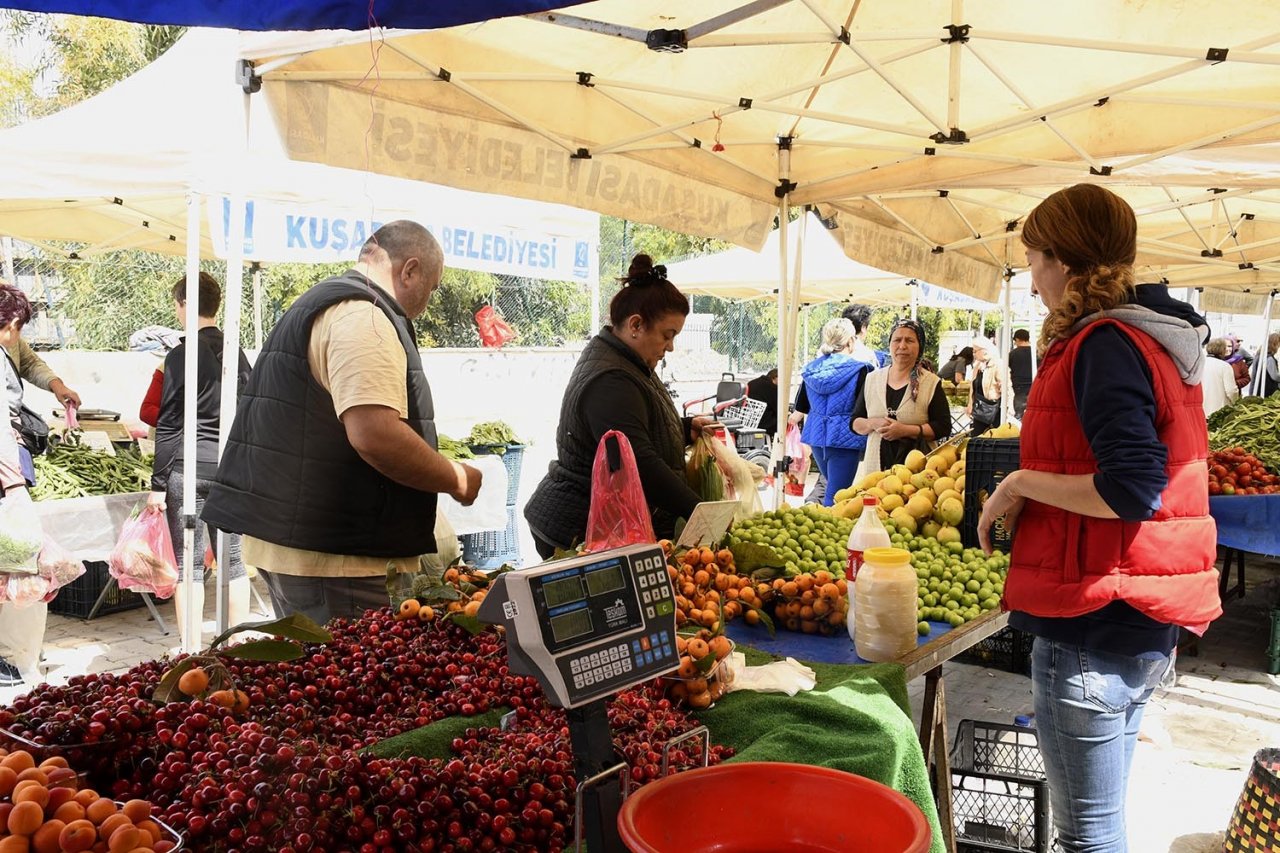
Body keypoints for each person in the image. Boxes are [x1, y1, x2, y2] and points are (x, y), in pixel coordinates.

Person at [976, 184, 1220, 853]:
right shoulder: (1151, 337)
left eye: (1033, 262)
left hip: (1094, 616)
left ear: (1063, 260)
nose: (1032, 282)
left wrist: (1019, 483)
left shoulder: (1106, 343)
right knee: (1101, 826)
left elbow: (1133, 487)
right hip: (1132, 611)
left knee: (1087, 837)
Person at [202, 221, 483, 626]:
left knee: (314, 664)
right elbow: (375, 433)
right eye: (433, 287)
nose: (428, 301)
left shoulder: (322, 302)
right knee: (352, 663)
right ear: (410, 270)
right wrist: (456, 478)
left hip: (301, 543)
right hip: (338, 559)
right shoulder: (364, 318)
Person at [525, 255, 710, 558]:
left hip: (592, 522)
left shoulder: (627, 362)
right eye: (668, 335)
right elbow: (637, 461)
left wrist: (684, 428)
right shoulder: (611, 378)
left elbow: (634, 426)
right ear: (636, 325)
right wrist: (701, 512)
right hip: (575, 528)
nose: (671, 346)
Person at [142, 273, 252, 648]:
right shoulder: (235, 352)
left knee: (188, 564)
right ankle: (238, 645)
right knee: (232, 559)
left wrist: (157, 485)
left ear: (186, 305)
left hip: (186, 471)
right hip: (228, 470)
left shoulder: (180, 355)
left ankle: (190, 650)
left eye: (177, 305)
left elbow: (169, 422)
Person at [792, 303, 880, 504]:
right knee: (837, 496)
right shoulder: (861, 370)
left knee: (832, 488)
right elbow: (867, 407)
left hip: (816, 438)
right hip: (845, 439)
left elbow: (802, 406)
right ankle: (826, 522)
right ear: (851, 341)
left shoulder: (810, 370)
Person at [0, 284, 41, 686]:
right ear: (11, 322)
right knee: (9, 564)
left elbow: (32, 362)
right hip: (4, 473)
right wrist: (14, 485)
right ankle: (5, 656)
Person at [851, 319, 951, 477]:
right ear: (890, 344)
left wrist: (905, 430)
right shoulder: (872, 379)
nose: (902, 346)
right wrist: (872, 423)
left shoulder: (930, 382)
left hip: (918, 474)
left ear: (920, 346)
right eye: (897, 340)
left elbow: (943, 427)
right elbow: (855, 422)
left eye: (909, 340)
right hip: (876, 472)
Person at [966, 339, 1003, 436]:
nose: (974, 354)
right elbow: (973, 386)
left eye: (975, 351)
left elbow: (1004, 387)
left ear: (984, 350)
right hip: (980, 408)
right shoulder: (977, 366)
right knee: (976, 437)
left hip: (994, 408)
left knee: (995, 436)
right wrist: (970, 404)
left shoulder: (997, 364)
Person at [1201, 338, 1239, 417]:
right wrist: (1236, 402)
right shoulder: (1225, 366)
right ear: (1222, 350)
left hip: (1200, 409)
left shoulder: (1200, 363)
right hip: (1219, 412)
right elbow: (1231, 391)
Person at [744, 368, 779, 436]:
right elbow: (778, 409)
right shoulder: (772, 388)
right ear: (775, 377)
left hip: (749, 420)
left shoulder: (751, 383)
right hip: (764, 423)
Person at [1008, 328, 1033, 417]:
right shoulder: (1036, 353)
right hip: (1034, 385)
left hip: (1019, 387)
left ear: (1017, 339)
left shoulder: (1013, 354)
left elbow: (1008, 369)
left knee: (1019, 415)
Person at [1250, 332, 1279, 396]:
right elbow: (1275, 376)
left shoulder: (1259, 355)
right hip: (1266, 392)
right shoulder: (1269, 358)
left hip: (1257, 390)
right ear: (1274, 345)